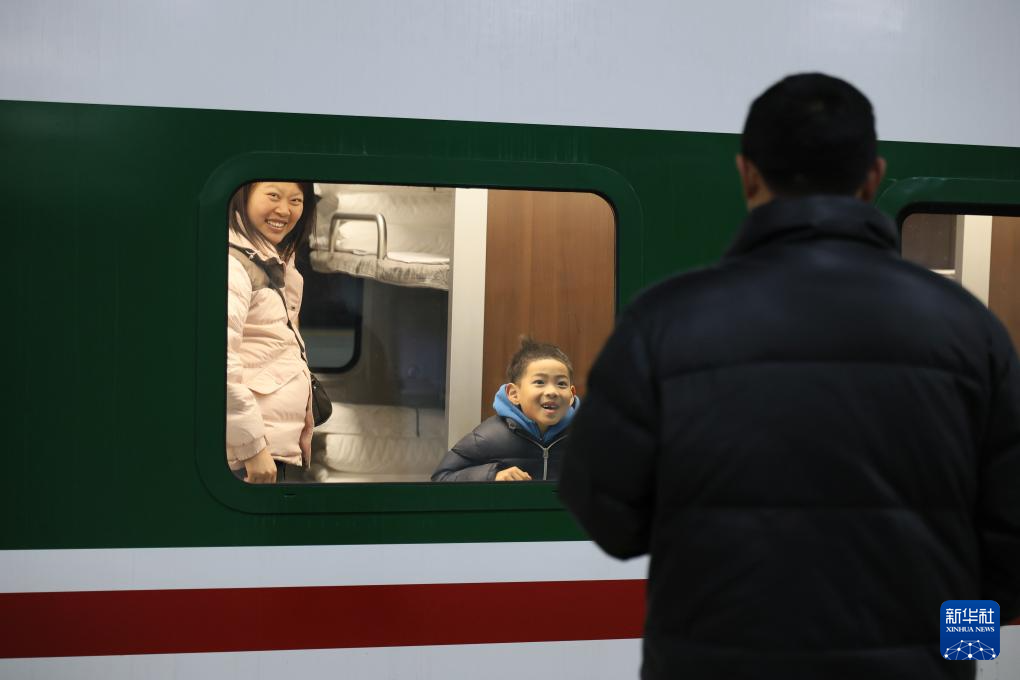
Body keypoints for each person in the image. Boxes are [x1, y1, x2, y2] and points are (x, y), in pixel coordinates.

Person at [559, 73, 1020, 679]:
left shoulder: (663, 321)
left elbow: (606, 514)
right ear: (873, 177)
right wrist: (954, 651)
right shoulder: (969, 329)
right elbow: (1009, 541)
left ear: (747, 174)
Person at [226, 180, 318, 484]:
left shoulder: (271, 261)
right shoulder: (234, 266)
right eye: (273, 196)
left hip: (266, 449)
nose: (284, 210)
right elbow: (219, 363)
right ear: (243, 194)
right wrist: (253, 449)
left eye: (296, 200)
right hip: (247, 456)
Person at [432, 338, 579, 482]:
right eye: (539, 382)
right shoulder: (489, 436)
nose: (552, 392)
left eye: (561, 384)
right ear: (514, 394)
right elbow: (442, 477)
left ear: (572, 395)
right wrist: (492, 475)